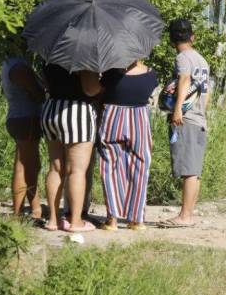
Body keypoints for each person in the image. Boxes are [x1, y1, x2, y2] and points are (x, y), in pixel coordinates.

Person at [41, 63, 102, 232]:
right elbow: (90, 89)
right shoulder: (84, 57)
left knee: (55, 168)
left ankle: (53, 220)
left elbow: (46, 83)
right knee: (77, 170)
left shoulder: (50, 55)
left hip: (51, 109)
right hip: (77, 112)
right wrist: (103, 87)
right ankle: (76, 222)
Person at [161, 18, 210, 228]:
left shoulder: (182, 58)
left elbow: (184, 80)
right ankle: (188, 213)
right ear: (193, 37)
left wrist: (178, 109)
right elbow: (206, 91)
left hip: (187, 119)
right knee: (194, 170)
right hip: (200, 118)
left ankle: (185, 216)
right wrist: (202, 112)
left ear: (172, 39)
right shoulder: (202, 60)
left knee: (189, 170)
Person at [98, 61, 158, 230]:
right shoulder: (151, 74)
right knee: (140, 166)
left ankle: (112, 219)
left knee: (109, 167)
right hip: (139, 118)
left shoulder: (110, 74)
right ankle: (137, 219)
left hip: (112, 117)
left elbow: (100, 94)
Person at [1, 52, 45, 219]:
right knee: (23, 165)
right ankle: (18, 213)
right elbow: (39, 94)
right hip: (26, 118)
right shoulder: (19, 67)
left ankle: (35, 208)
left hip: (19, 116)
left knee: (32, 164)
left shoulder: (9, 62)